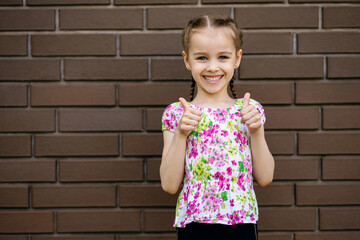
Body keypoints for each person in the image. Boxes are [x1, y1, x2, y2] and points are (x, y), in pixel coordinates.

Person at [160, 15, 275, 240]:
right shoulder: (177, 114)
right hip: (195, 224)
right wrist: (181, 134)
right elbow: (169, 184)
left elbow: (265, 177)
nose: (213, 67)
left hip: (241, 223)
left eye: (223, 57)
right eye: (202, 57)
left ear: (237, 58)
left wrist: (256, 131)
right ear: (187, 60)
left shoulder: (248, 110)